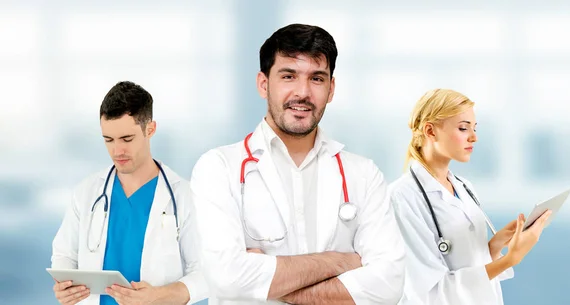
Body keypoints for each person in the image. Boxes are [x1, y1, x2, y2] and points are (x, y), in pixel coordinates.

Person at [190, 23, 406, 305]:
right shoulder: (218, 168)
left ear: (331, 89)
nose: (303, 93)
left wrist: (267, 281)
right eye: (289, 76)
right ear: (263, 84)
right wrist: (338, 262)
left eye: (317, 78)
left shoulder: (363, 175)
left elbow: (389, 286)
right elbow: (227, 278)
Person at [389, 88, 552, 305]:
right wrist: (510, 259)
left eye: (474, 128)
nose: (474, 137)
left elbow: (466, 264)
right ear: (430, 131)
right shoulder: (401, 197)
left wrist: (494, 247)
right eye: (463, 128)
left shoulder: (465, 187)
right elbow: (428, 293)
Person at [50, 81, 208, 305]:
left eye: (127, 139)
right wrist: (65, 286)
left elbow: (206, 273)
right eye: (109, 140)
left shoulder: (184, 196)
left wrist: (159, 296)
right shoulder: (86, 193)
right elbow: (64, 255)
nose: (117, 151)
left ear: (150, 129)